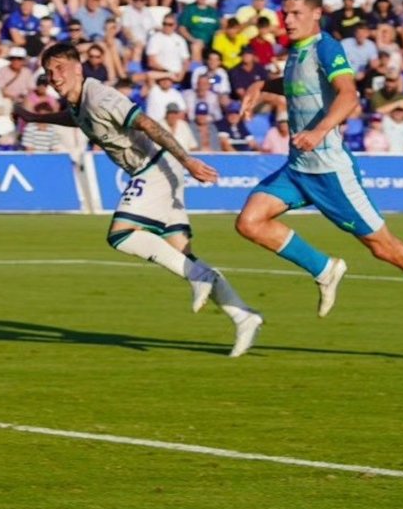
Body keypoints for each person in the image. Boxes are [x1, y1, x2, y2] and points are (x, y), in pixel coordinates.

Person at [236, 0, 403, 351]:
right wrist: (261, 85)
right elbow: (297, 84)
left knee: (383, 247)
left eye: (296, 14)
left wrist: (319, 130)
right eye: (285, 14)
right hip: (298, 169)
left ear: (317, 13)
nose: (288, 20)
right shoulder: (296, 51)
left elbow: (349, 95)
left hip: (330, 172)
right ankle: (324, 269)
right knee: (249, 222)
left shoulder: (327, 47)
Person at [15, 42, 263, 356]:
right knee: (181, 253)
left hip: (154, 167)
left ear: (78, 68)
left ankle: (200, 277)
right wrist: (36, 116)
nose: (54, 77)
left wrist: (188, 160)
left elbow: (147, 123)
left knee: (121, 235)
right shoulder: (80, 102)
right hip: (159, 169)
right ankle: (243, 315)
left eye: (60, 68)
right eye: (49, 72)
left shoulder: (100, 96)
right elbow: (77, 118)